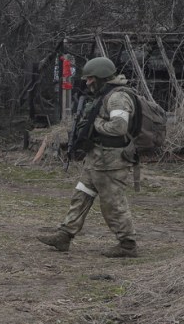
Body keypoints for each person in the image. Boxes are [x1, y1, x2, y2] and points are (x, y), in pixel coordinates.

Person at [37, 56, 139, 258]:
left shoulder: (118, 97)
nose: (87, 82)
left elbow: (119, 127)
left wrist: (95, 126)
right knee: (81, 195)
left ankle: (127, 245)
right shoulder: (105, 94)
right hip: (97, 158)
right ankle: (64, 235)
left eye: (91, 78)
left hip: (111, 161)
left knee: (112, 203)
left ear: (101, 77)